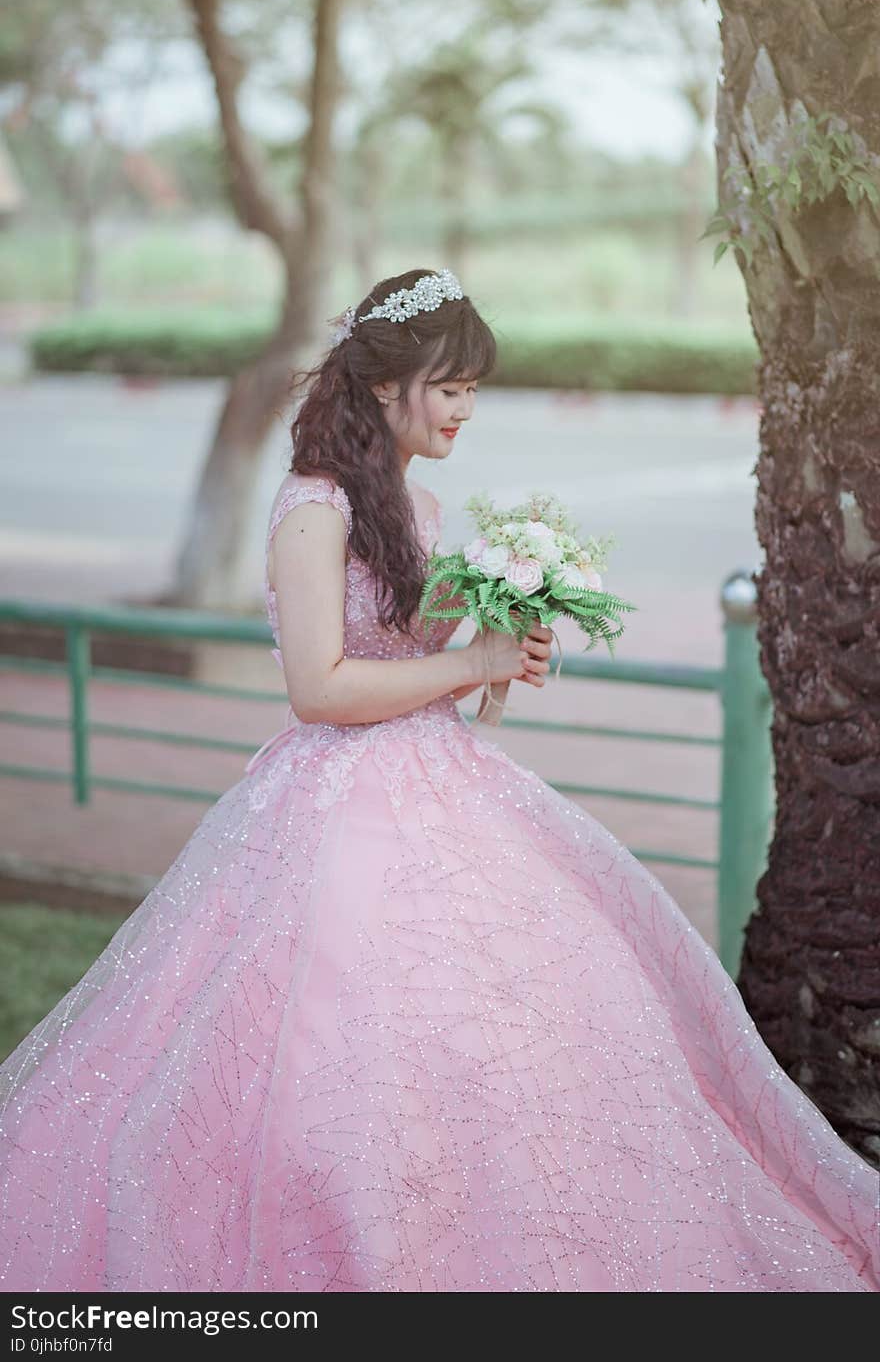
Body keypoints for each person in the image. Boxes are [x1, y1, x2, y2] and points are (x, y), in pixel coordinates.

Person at [0, 268, 877, 1294]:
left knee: (507, 1037)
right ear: (386, 386)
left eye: (473, 389)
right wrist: (472, 661)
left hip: (446, 787)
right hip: (332, 812)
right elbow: (320, 688)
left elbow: (439, 684)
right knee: (331, 1047)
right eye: (449, 386)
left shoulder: (418, 504)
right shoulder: (312, 508)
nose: (465, 409)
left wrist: (503, 650)